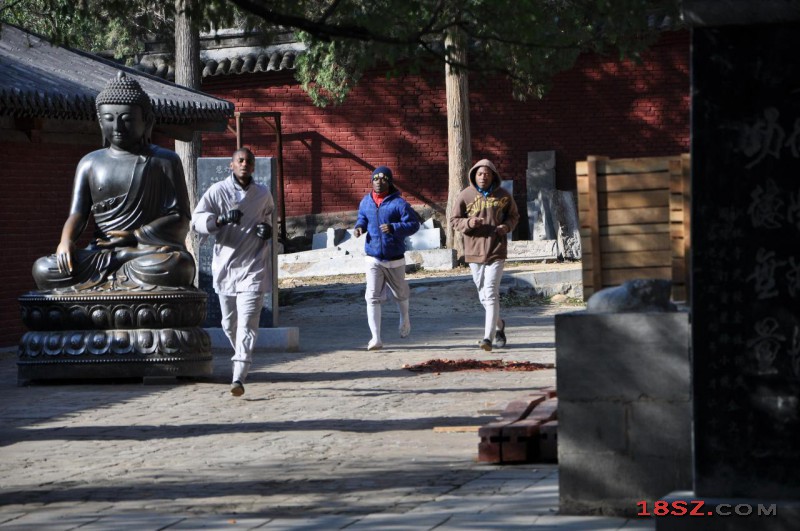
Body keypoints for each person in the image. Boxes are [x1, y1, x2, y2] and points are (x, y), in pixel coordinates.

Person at [32, 71, 195, 291]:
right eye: (109, 119)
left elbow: (180, 217)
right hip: (100, 254)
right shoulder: (90, 162)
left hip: (145, 252)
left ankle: (126, 263)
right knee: (43, 269)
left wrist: (135, 237)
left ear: (147, 121)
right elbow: (78, 214)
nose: (117, 127)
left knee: (178, 266)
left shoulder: (164, 161)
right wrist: (66, 241)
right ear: (100, 122)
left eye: (127, 119)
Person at [191, 147, 274, 397]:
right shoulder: (218, 191)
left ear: (253, 166)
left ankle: (238, 376)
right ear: (231, 165)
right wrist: (220, 220)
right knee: (230, 324)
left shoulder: (262, 194)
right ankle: (241, 354)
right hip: (226, 266)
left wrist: (267, 231)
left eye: (249, 161)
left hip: (254, 265)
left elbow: (269, 217)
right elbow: (197, 220)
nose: (244, 164)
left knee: (248, 323)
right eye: (240, 160)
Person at [449, 159, 520, 352]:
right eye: (480, 174)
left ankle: (487, 338)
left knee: (490, 292)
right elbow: (455, 220)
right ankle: (500, 325)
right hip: (473, 251)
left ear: (493, 176)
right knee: (483, 295)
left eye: (487, 174)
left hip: (496, 249)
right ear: (474, 175)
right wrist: (469, 223)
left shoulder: (503, 195)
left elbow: (514, 216)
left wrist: (506, 227)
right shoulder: (465, 195)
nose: (483, 177)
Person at [353, 166, 420, 351]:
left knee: (400, 294)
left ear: (389, 182)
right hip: (373, 257)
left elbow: (414, 224)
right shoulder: (366, 202)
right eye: (375, 178)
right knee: (372, 297)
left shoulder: (399, 203)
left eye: (383, 179)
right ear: (371, 181)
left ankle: (404, 318)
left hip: (395, 257)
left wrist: (394, 228)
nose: (379, 182)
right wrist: (359, 227)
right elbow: (362, 218)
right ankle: (376, 338)